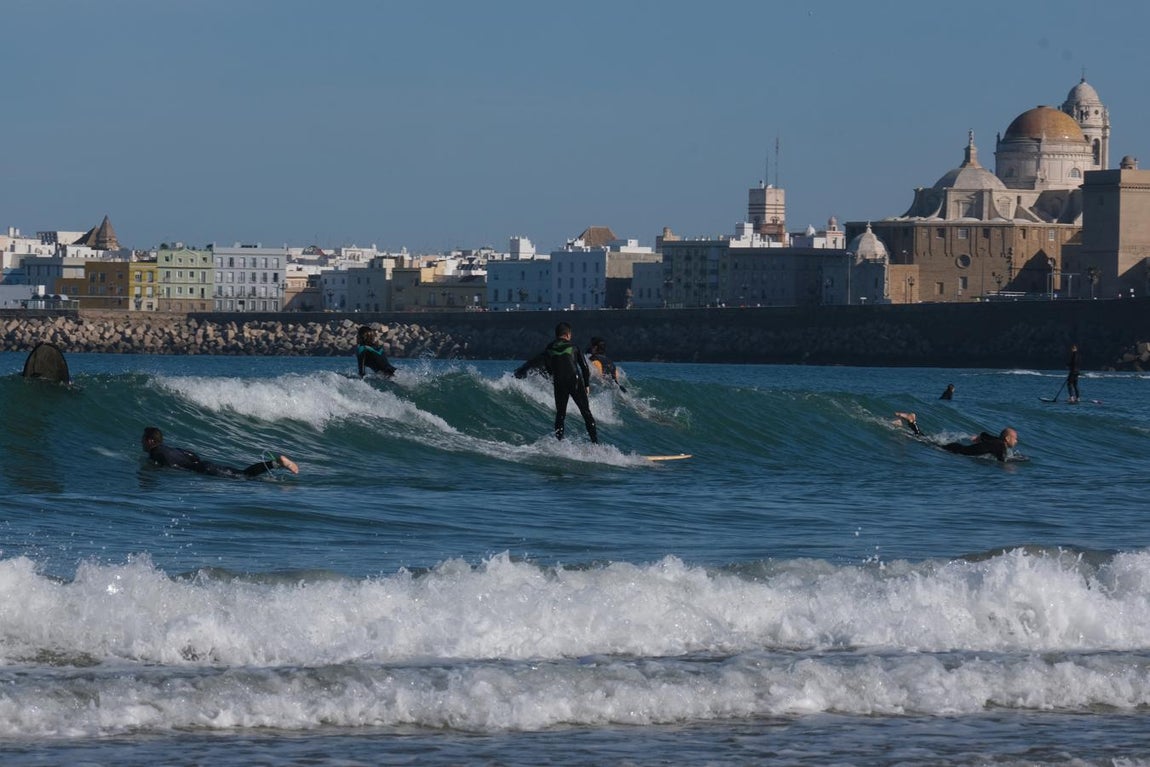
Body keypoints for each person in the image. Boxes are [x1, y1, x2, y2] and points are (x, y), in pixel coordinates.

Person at [514, 322, 598, 443]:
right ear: (568, 334)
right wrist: (586, 385)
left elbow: (548, 367)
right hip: (574, 380)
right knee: (586, 413)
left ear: (557, 335)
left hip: (559, 381)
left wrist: (554, 378)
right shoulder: (574, 346)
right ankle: (595, 443)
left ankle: (559, 442)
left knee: (560, 415)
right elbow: (584, 367)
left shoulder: (549, 347)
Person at [142, 427, 299, 478]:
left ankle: (277, 463)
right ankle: (275, 463)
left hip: (203, 470)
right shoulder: (171, 448)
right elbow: (192, 455)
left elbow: (170, 465)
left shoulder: (155, 453)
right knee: (244, 475)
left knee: (245, 476)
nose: (141, 442)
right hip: (204, 465)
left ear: (150, 441)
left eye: (143, 439)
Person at [894, 412, 1018, 462]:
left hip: (958, 448)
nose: (1016, 441)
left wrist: (979, 438)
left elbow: (984, 434)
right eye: (1015, 438)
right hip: (956, 450)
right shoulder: (1000, 445)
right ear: (1007, 439)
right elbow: (1003, 462)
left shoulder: (996, 441)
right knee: (924, 442)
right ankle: (911, 422)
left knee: (927, 441)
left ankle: (910, 423)